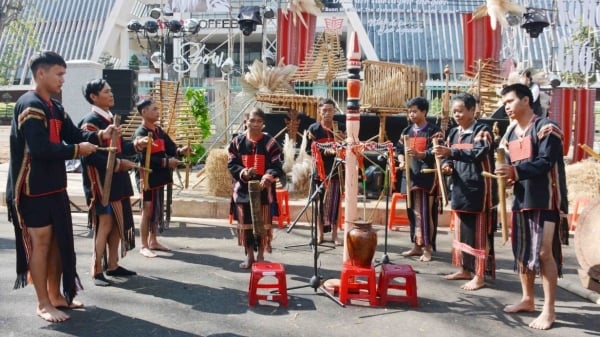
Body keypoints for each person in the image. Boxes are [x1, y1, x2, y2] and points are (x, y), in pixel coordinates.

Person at [5, 51, 116, 322]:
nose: (62, 80)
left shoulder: (55, 106)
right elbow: (41, 149)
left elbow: (74, 134)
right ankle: (43, 303)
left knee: (56, 242)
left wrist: (99, 135)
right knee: (41, 243)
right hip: (31, 188)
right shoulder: (29, 105)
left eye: (64, 74)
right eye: (59, 74)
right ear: (40, 73)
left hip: (54, 186)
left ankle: (56, 295)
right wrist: (79, 149)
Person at [495, 83, 566, 330]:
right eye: (504, 103)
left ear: (526, 100)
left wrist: (515, 170)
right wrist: (507, 173)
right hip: (522, 198)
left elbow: (546, 162)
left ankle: (549, 310)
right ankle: (528, 299)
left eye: (511, 101)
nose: (507, 107)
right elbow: (509, 160)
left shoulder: (547, 127)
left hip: (546, 199)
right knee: (524, 250)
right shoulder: (512, 132)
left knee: (545, 253)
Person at [79, 79, 147, 285]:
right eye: (106, 91)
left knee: (118, 223)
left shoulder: (110, 119)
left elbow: (122, 146)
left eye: (111, 91)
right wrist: (118, 164)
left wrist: (136, 145)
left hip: (117, 180)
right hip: (100, 183)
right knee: (105, 223)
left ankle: (113, 265)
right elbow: (90, 156)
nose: (111, 94)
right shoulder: (90, 122)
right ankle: (96, 268)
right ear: (94, 96)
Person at [432, 93, 497, 290]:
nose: (457, 115)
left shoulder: (482, 131)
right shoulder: (453, 133)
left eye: (460, 111)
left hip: (479, 188)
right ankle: (465, 269)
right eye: (454, 111)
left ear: (472, 110)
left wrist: (451, 153)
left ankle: (479, 275)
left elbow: (478, 153)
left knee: (478, 232)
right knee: (461, 231)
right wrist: (447, 165)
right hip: (459, 187)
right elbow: (449, 156)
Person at [133, 99, 191, 258]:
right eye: (154, 109)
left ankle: (153, 240)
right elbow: (145, 159)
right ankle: (144, 245)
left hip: (159, 177)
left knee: (156, 209)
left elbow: (171, 148)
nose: (157, 112)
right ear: (144, 112)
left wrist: (181, 151)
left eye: (157, 109)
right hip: (147, 178)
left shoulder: (159, 131)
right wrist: (167, 162)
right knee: (147, 210)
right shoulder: (141, 133)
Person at [228, 107, 283, 269]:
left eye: (259, 121)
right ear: (246, 122)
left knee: (263, 224)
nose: (255, 124)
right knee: (246, 224)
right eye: (252, 120)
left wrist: (268, 176)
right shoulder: (237, 142)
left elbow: (277, 164)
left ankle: (260, 256)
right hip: (242, 191)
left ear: (263, 124)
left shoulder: (270, 142)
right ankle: (250, 256)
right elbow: (231, 163)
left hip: (264, 192)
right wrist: (243, 172)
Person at [396, 97, 442, 262]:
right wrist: (401, 160)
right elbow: (399, 149)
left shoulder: (434, 130)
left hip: (426, 176)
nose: (412, 114)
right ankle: (416, 245)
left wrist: (420, 154)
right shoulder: (406, 131)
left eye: (415, 111)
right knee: (412, 212)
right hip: (409, 176)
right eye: (409, 112)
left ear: (424, 112)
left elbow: (437, 151)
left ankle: (427, 247)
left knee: (424, 212)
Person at [307, 98, 346, 246]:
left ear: (334, 111)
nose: (327, 113)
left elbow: (349, 147)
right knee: (318, 203)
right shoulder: (314, 129)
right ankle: (320, 234)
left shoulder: (341, 128)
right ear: (319, 112)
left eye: (330, 110)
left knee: (335, 204)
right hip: (320, 172)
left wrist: (343, 142)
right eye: (324, 110)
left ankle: (335, 235)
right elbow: (309, 149)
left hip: (336, 171)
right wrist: (325, 151)